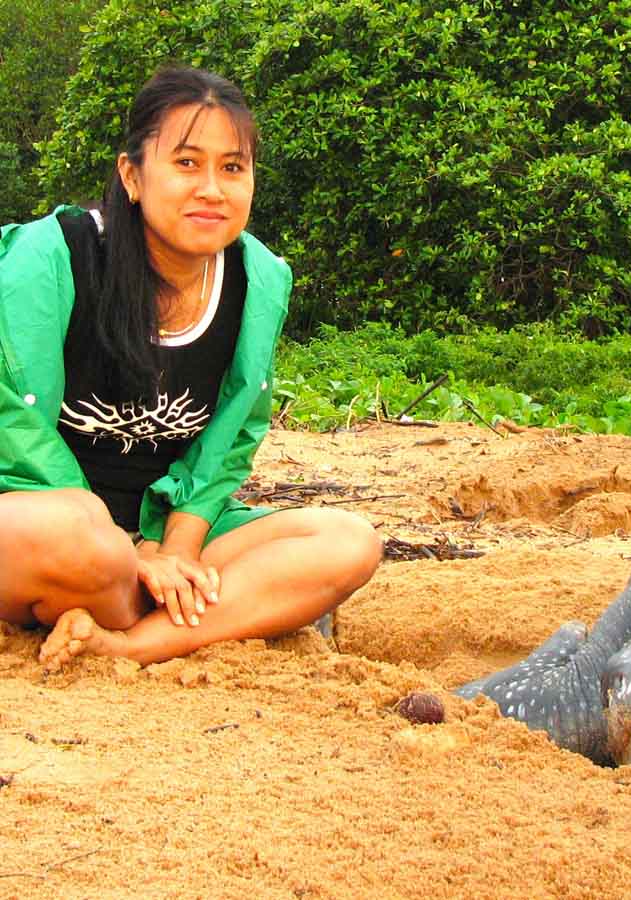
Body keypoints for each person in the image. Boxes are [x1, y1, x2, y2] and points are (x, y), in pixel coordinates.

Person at [0, 66, 382, 671]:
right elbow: (9, 417)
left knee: (348, 543)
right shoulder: (50, 258)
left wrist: (173, 546)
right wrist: (132, 558)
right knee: (77, 535)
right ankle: (178, 603)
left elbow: (231, 440)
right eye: (186, 163)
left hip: (155, 533)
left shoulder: (258, 281)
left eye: (232, 167)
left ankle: (127, 641)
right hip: (40, 518)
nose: (212, 188)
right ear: (132, 174)